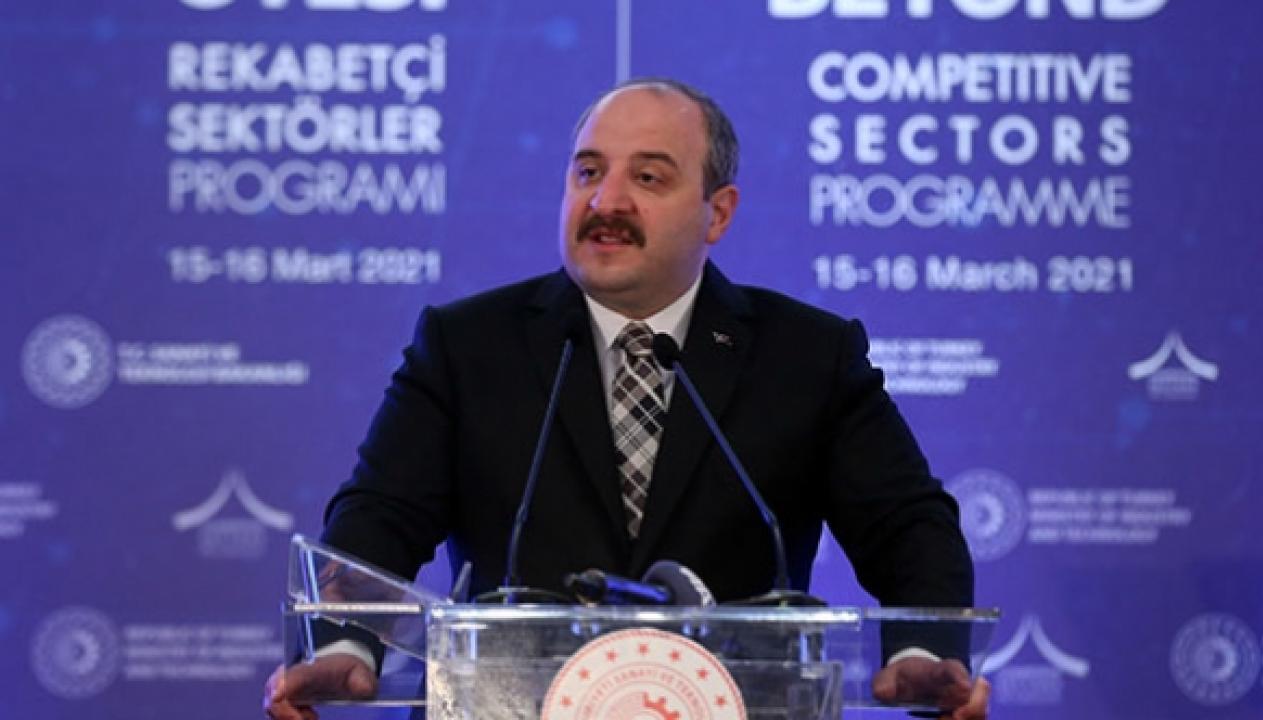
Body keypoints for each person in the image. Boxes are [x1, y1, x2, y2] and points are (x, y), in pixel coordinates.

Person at [265, 78, 989, 720]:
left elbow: (908, 527)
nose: (606, 201)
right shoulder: (466, 345)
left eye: (648, 177)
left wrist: (921, 656)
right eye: (588, 172)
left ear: (718, 213)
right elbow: (379, 517)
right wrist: (344, 645)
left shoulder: (806, 355)